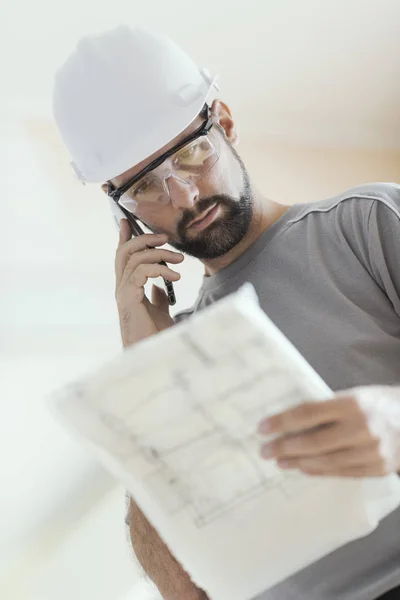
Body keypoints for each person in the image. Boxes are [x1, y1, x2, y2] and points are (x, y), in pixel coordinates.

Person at [52, 25, 400, 600]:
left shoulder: (367, 225)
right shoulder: (180, 356)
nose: (184, 196)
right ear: (120, 210)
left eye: (190, 153)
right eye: (146, 187)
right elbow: (185, 590)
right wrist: (148, 369)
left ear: (226, 122)